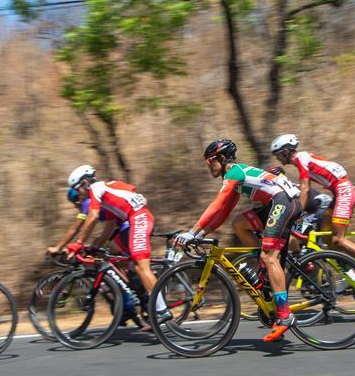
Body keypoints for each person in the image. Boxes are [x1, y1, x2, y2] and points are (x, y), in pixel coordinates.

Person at [176, 139, 302, 342]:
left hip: (284, 202)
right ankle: (267, 272)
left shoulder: (234, 172)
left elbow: (215, 206)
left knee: (269, 257)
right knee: (239, 223)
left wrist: (192, 231)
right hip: (277, 202)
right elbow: (223, 213)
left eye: (210, 162)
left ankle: (285, 316)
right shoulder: (234, 177)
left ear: (222, 158)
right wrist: (200, 234)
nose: (208, 166)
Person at [64, 165, 167, 321]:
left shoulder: (96, 190)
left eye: (77, 189)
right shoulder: (104, 194)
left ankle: (161, 311)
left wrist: (78, 242)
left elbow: (92, 217)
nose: (78, 194)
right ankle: (146, 301)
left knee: (141, 267)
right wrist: (94, 247)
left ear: (85, 183)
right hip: (137, 219)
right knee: (134, 267)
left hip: (138, 218)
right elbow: (110, 226)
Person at [270, 134, 355, 264]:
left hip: (344, 190)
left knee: (339, 239)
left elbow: (305, 189)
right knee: (328, 238)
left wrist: (297, 213)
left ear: (286, 151)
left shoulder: (301, 159)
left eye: (277, 154)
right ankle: (351, 273)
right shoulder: (304, 159)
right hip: (339, 192)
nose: (277, 158)